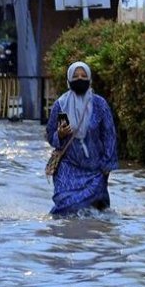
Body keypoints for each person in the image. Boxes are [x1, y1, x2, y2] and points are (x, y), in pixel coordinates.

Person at [46, 61, 118, 215]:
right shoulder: (61, 105)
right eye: (76, 76)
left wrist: (106, 166)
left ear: (90, 79)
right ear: (69, 80)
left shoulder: (99, 105)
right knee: (65, 208)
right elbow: (51, 136)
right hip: (68, 167)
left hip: (94, 171)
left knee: (97, 213)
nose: (79, 79)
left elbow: (109, 136)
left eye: (83, 76)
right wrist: (60, 134)